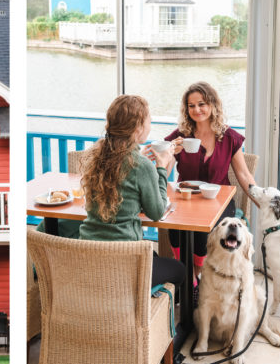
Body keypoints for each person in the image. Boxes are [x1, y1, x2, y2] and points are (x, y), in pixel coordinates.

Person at [79, 95, 185, 294]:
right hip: (123, 261)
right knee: (179, 270)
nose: (150, 126)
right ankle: (138, 303)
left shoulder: (96, 156)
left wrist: (141, 160)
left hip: (89, 255)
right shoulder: (141, 166)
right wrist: (161, 168)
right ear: (137, 128)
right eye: (149, 122)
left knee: (153, 256)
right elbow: (156, 212)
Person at [163, 82, 258, 272]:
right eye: (191, 106)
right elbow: (164, 171)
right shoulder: (181, 135)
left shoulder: (229, 137)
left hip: (219, 202)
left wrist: (261, 201)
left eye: (202, 104)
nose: (197, 109)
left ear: (213, 105)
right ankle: (185, 273)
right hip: (186, 199)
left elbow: (243, 174)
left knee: (202, 230)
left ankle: (195, 277)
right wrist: (168, 152)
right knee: (173, 222)